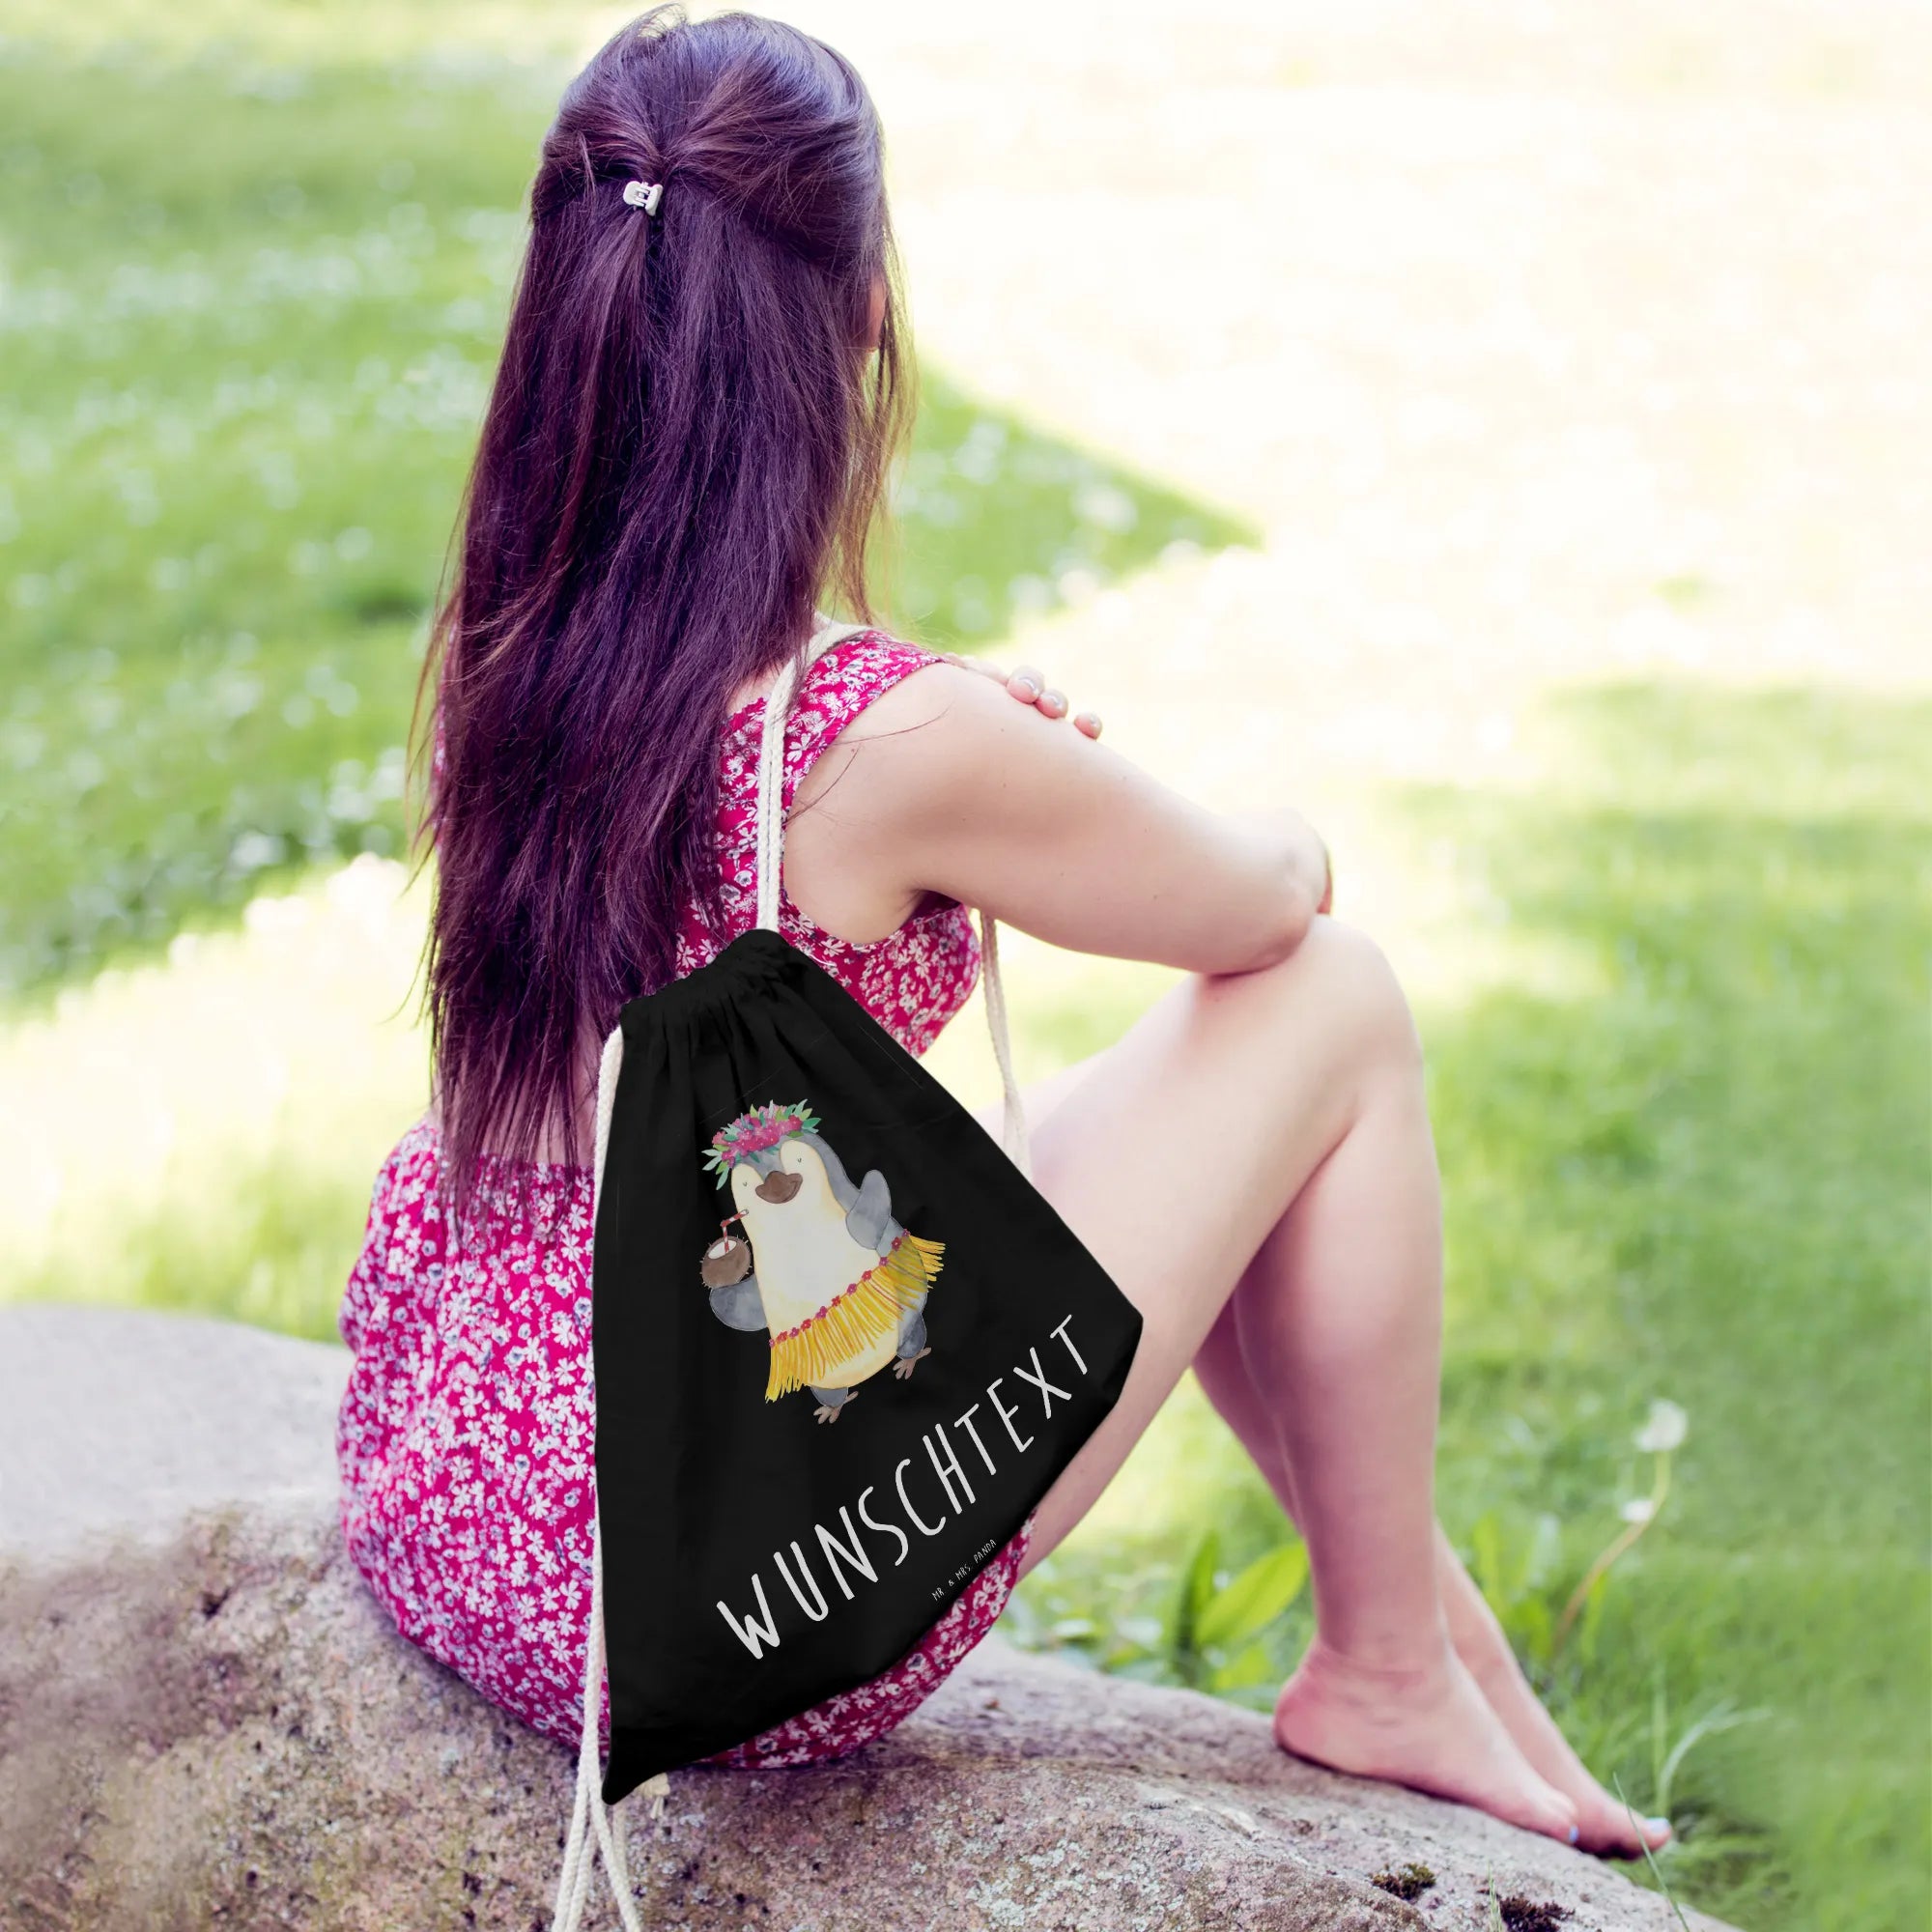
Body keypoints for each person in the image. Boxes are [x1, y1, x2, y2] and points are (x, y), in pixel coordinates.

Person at [335, 3, 1670, 1859]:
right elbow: (1260, 906)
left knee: (1182, 1140)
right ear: (864, 310)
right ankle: (1384, 1661)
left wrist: (963, 754)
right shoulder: (887, 740)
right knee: (1333, 1005)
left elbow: (775, 824)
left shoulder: (515, 646)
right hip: (748, 1564)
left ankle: (1441, 1649)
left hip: (473, 1501)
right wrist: (1133, 796)